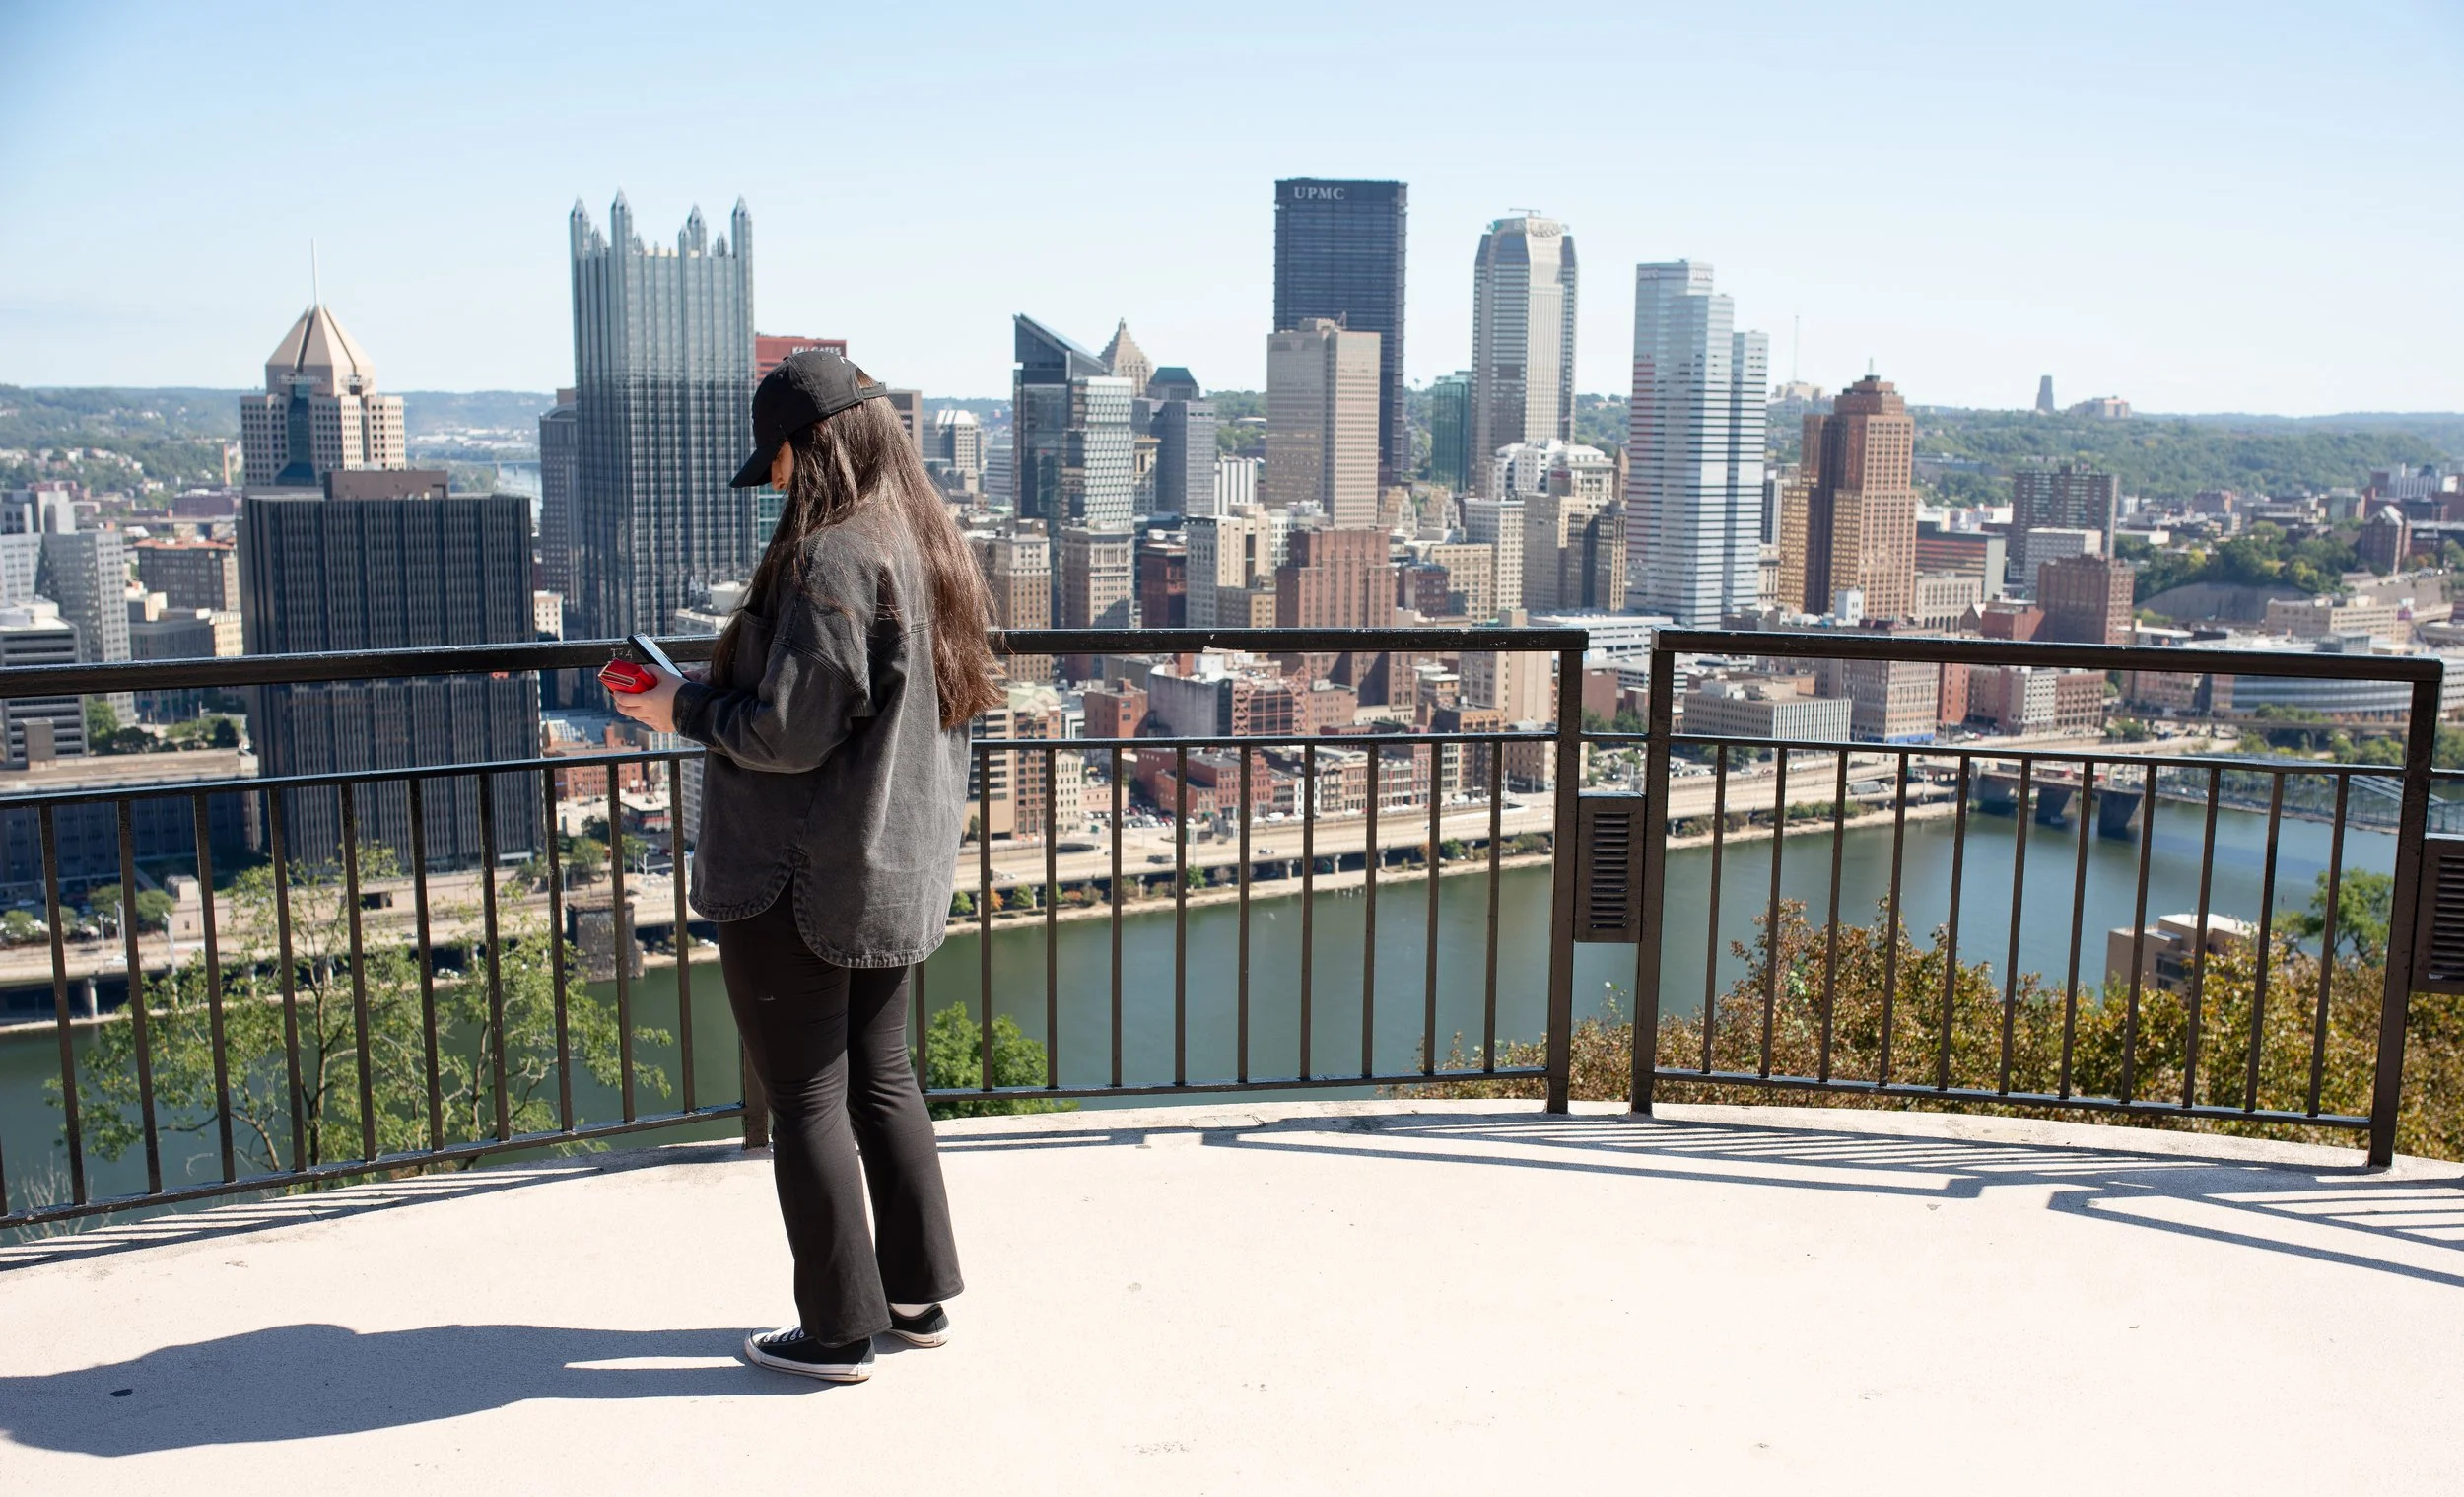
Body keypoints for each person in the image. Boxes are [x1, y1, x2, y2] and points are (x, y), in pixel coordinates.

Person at [608, 350, 1003, 1383]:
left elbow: (787, 734)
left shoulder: (831, 558)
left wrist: (678, 707)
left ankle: (834, 1331)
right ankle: (915, 1301)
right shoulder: (929, 548)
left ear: (809, 444)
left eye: (775, 459)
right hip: (892, 861)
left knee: (807, 1101)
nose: (773, 480)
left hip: (798, 873)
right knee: (882, 1080)